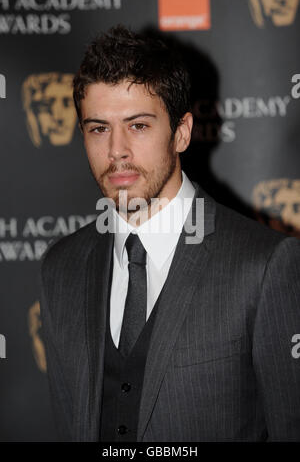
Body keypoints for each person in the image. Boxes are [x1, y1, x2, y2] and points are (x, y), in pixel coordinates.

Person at [40, 25, 300, 442]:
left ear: (181, 132)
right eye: (98, 128)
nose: (117, 150)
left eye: (138, 126)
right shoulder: (60, 267)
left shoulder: (265, 265)